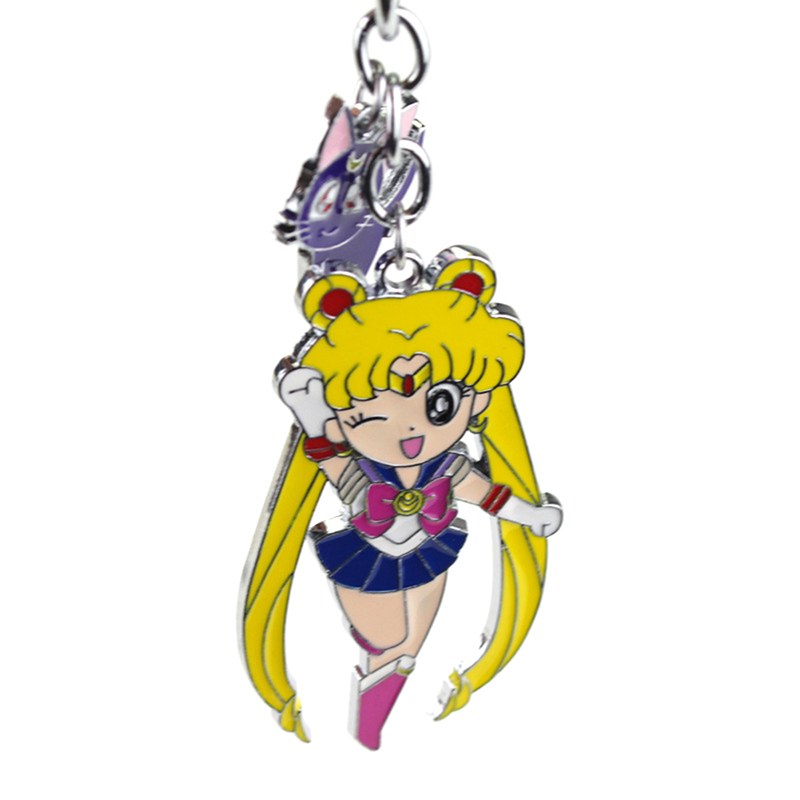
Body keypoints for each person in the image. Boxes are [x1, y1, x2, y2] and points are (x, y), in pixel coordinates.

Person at [239, 258, 562, 749]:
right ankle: (368, 722)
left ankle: (370, 727)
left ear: (476, 402)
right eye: (373, 410)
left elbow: (492, 497)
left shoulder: (450, 469)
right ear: (341, 415)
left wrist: (533, 515)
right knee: (389, 640)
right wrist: (309, 411)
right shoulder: (362, 473)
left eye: (439, 405)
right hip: (365, 560)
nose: (411, 428)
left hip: (432, 550)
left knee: (410, 646)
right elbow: (325, 454)